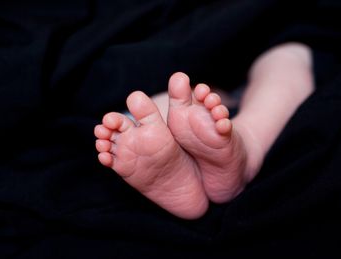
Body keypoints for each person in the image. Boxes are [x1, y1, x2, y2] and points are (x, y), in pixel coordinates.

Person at [94, 42, 314, 219]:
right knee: (285, 62)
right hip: (233, 39)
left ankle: (241, 144)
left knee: (171, 103)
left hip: (180, 48)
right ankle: (242, 141)